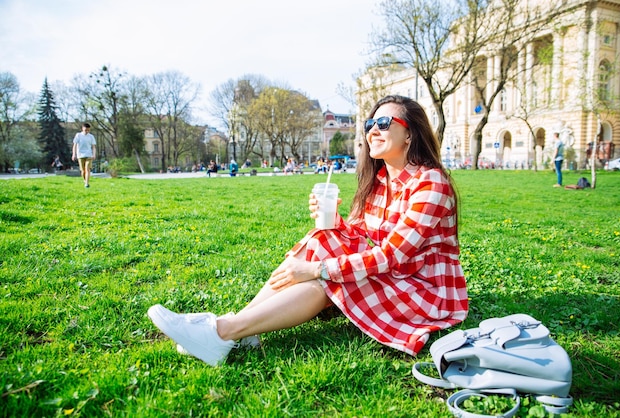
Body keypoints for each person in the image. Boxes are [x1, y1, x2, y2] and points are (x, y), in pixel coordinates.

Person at [147, 95, 468, 366]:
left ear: (409, 135)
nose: (373, 131)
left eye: (383, 124)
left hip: (423, 289)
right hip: (395, 273)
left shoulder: (430, 182)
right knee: (322, 238)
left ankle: (221, 331)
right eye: (370, 125)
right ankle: (242, 330)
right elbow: (357, 238)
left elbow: (392, 256)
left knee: (326, 280)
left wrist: (314, 269)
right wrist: (334, 224)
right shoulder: (380, 182)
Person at [72, 123, 97, 188]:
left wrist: (94, 154)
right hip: (80, 155)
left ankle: (87, 183)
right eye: (86, 130)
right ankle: (85, 180)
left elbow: (93, 146)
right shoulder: (78, 135)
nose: (87, 131)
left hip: (89, 155)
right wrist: (74, 154)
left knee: (87, 169)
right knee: (83, 171)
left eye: (88, 130)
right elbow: (74, 145)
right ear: (82, 129)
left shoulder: (91, 136)